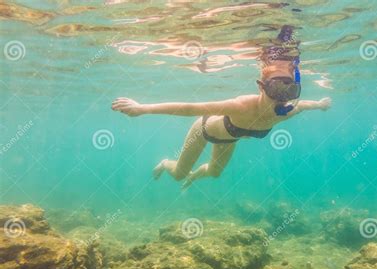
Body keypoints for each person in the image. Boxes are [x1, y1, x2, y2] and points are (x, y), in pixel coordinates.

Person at [111, 26, 331, 189]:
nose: (282, 98)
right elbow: (190, 108)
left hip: (229, 137)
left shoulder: (288, 111)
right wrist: (142, 108)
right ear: (261, 87)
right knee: (178, 174)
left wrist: (320, 105)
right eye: (276, 89)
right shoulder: (242, 106)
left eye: (290, 90)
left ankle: (195, 177)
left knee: (214, 173)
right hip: (203, 130)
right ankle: (164, 163)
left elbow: (304, 104)